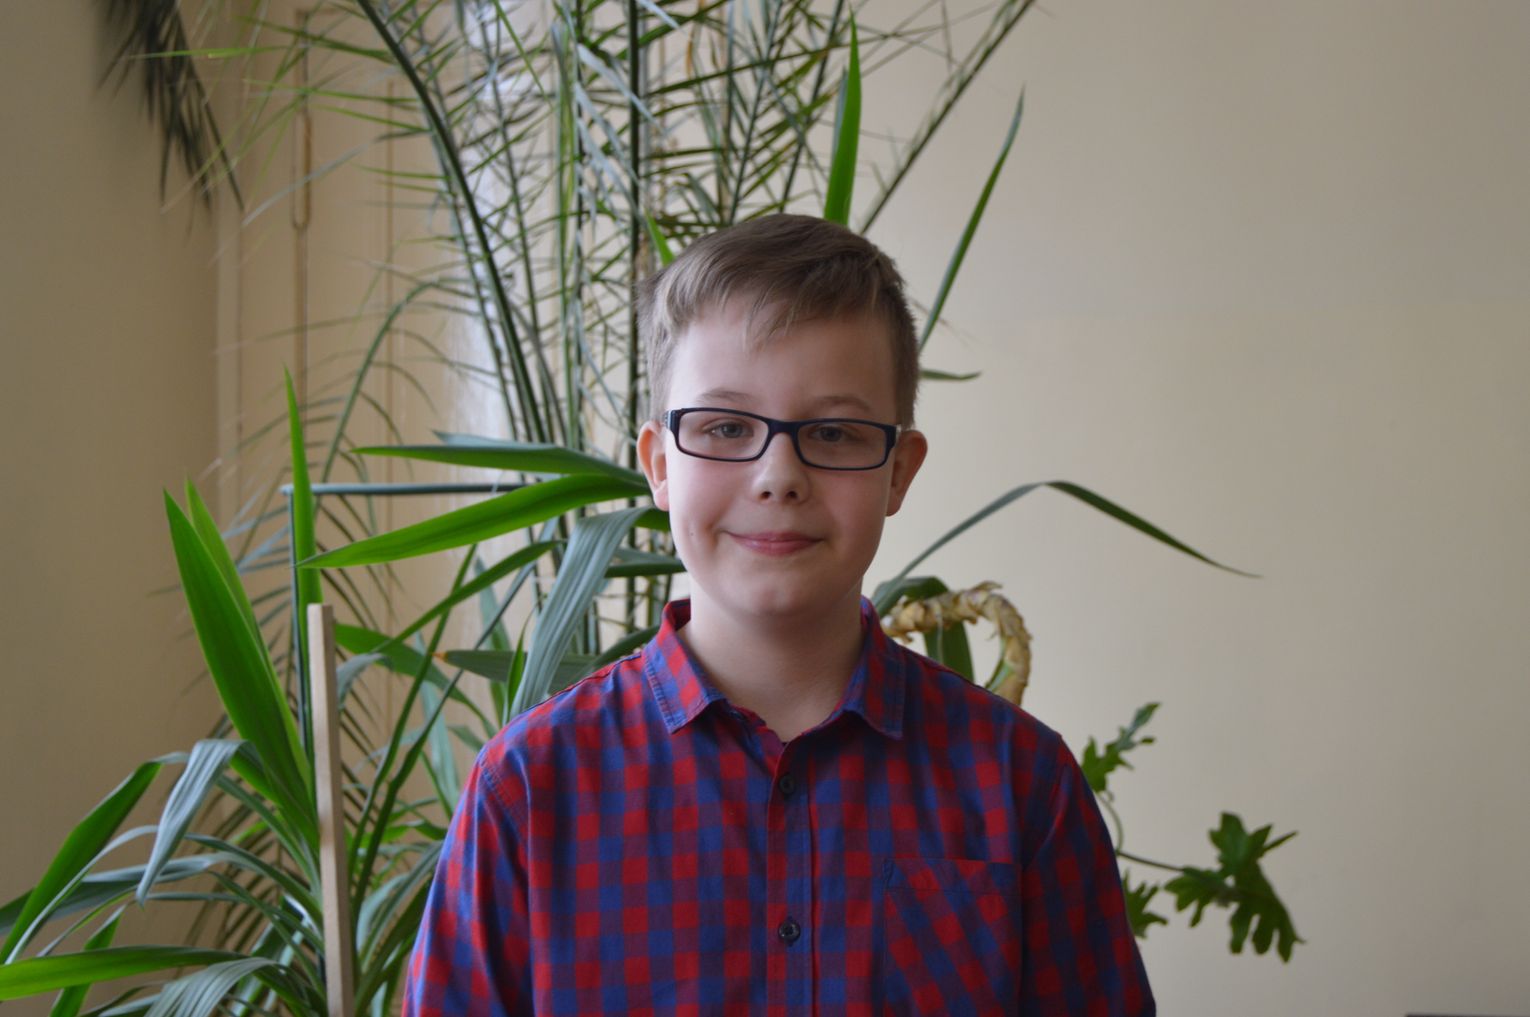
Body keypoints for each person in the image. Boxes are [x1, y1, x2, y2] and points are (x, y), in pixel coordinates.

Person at [400, 214, 1155, 1015]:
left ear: (899, 472)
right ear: (659, 464)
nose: (778, 476)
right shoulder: (528, 791)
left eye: (832, 432)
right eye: (726, 427)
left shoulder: (1020, 782)